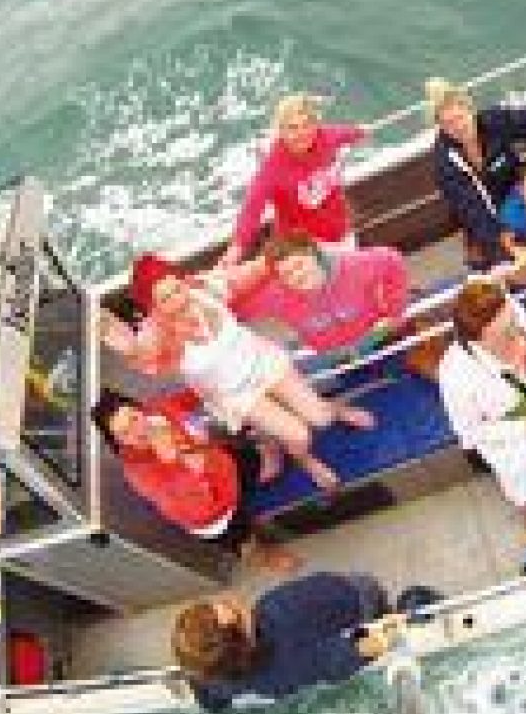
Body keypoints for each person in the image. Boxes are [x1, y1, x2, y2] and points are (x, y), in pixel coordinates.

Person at [99, 254, 374, 492]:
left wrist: (280, 254)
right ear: (153, 306)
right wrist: (127, 347)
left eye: (177, 289)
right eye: (165, 298)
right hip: (235, 393)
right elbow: (142, 356)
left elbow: (251, 272)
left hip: (263, 362)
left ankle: (334, 410)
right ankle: (306, 460)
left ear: (183, 281)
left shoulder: (205, 287)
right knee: (299, 434)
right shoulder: (155, 335)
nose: (177, 300)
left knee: (320, 418)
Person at [92, 389, 299, 573]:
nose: (137, 430)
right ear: (118, 442)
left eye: (134, 418)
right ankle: (263, 557)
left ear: (141, 410)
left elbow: (192, 395)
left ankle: (260, 459)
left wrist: (215, 388)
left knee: (272, 460)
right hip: (216, 515)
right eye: (125, 433)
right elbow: (197, 506)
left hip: (224, 466)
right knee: (248, 546)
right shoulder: (139, 471)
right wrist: (174, 461)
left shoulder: (158, 412)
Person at [437, 278, 526, 536]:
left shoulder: (509, 312)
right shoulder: (455, 374)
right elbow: (469, 433)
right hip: (504, 429)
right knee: (517, 477)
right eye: (506, 326)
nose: (514, 328)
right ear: (482, 332)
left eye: (511, 315)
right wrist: (524, 426)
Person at [172, 572, 400, 711]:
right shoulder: (290, 659)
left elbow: (207, 684)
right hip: (357, 600)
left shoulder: (221, 675)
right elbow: (339, 659)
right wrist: (389, 632)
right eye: (236, 613)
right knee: (394, 597)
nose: (231, 600)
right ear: (245, 643)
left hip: (331, 601)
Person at [426, 78, 526, 270]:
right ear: (441, 127)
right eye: (449, 124)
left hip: (522, 200)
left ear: (470, 110)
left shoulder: (495, 121)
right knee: (517, 273)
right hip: (487, 223)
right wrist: (508, 248)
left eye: (460, 118)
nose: (458, 127)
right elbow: (473, 214)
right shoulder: (444, 164)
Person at [220, 94, 372, 267]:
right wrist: (237, 248)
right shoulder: (272, 170)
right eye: (292, 128)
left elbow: (344, 134)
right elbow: (252, 209)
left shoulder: (326, 137)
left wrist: (359, 131)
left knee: (350, 270)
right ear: (281, 131)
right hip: (304, 246)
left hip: (340, 229)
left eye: (306, 125)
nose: (301, 134)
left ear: (315, 125)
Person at [227, 232, 410, 356]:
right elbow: (233, 311)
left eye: (299, 265)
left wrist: (395, 310)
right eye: (287, 274)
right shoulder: (275, 294)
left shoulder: (353, 265)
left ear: (314, 255)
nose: (297, 276)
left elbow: (391, 259)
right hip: (330, 356)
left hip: (378, 335)